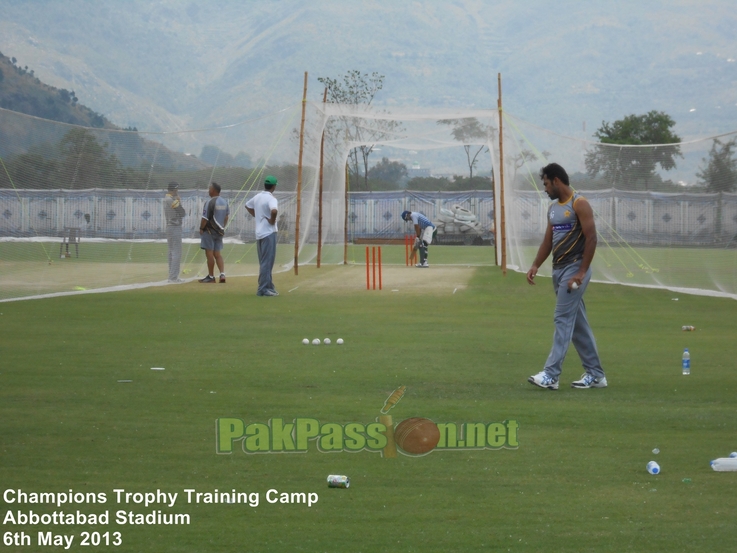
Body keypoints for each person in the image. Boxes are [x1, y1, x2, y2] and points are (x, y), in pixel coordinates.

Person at [526, 163, 607, 390]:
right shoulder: (553, 208)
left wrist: (582, 271)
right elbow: (547, 241)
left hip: (574, 270)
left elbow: (591, 238)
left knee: (562, 318)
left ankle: (551, 375)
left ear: (556, 181)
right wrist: (535, 265)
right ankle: (596, 375)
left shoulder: (579, 204)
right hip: (558, 270)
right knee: (577, 323)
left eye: (546, 184)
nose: (544, 189)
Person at [246, 175, 279, 296]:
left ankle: (269, 286)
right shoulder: (271, 199)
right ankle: (263, 289)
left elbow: (247, 205)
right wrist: (271, 220)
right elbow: (274, 210)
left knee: (264, 261)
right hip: (269, 233)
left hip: (259, 233)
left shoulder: (258, 196)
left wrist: (257, 215)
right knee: (267, 262)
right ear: (274, 186)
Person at [199, 182, 229, 283]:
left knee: (209, 254)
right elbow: (226, 217)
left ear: (213, 190)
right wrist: (222, 227)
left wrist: (201, 228)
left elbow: (205, 218)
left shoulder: (210, 202)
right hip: (219, 232)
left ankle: (211, 276)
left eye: (209, 189)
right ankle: (222, 274)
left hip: (209, 231)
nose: (208, 191)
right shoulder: (224, 202)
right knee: (218, 254)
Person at [164, 181, 186, 282]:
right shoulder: (170, 200)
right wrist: (179, 200)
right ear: (175, 189)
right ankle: (173, 277)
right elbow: (182, 212)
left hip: (170, 227)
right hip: (174, 227)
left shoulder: (167, 199)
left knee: (171, 252)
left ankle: (172, 276)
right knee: (176, 253)